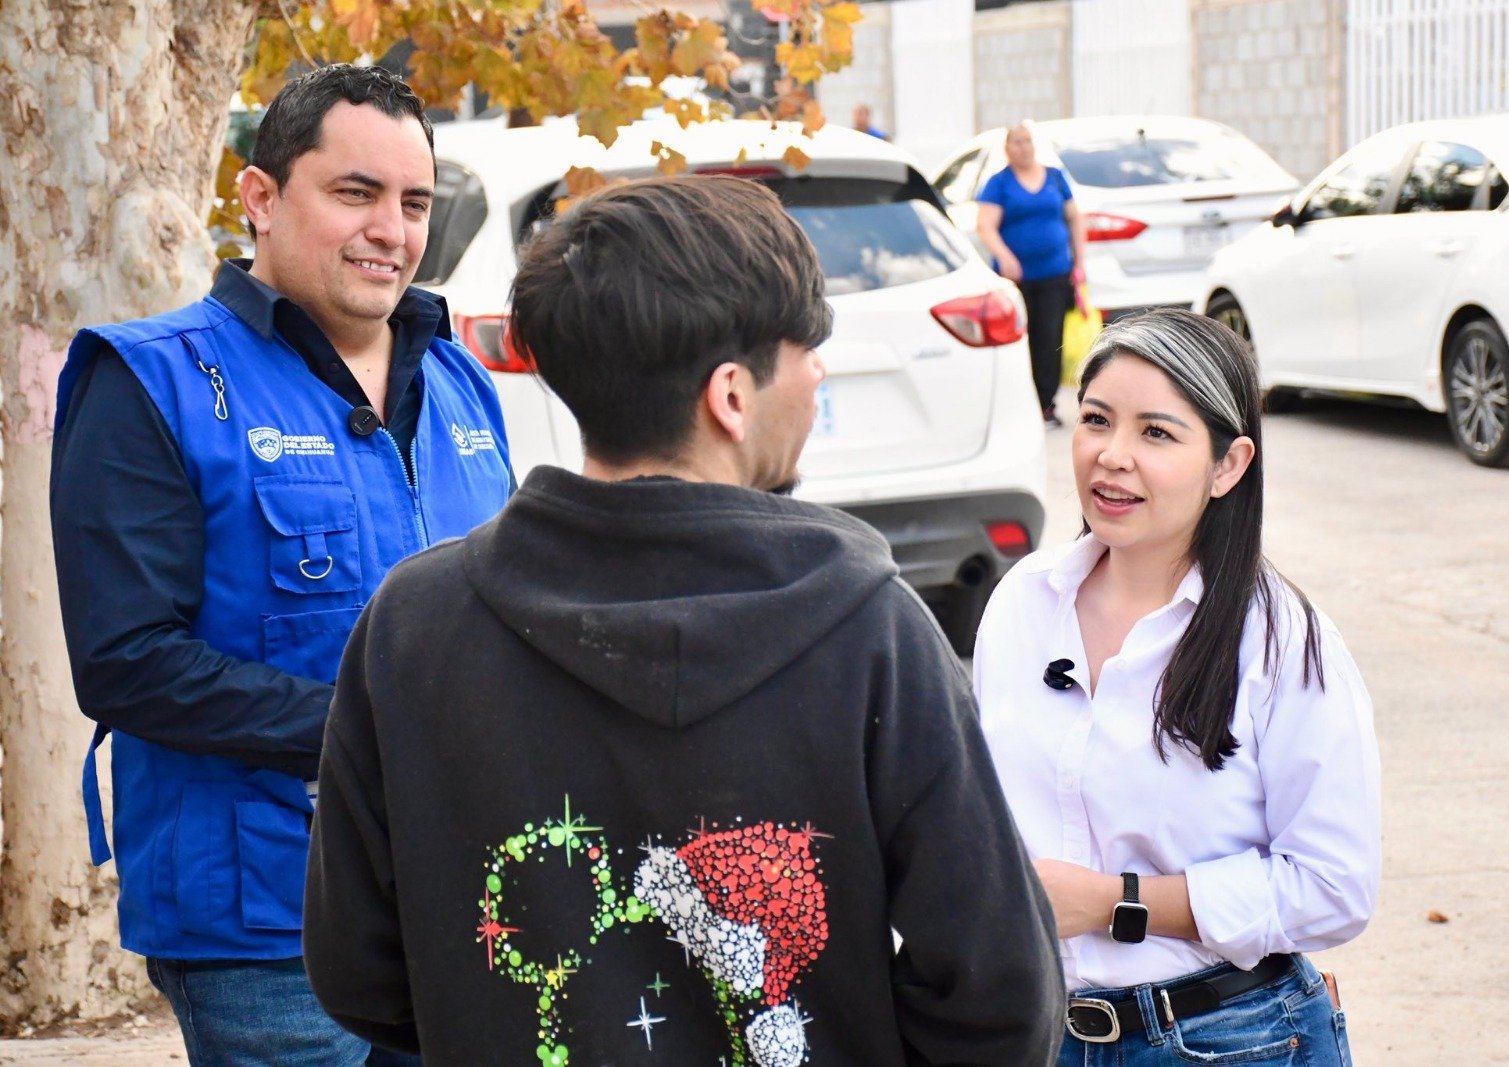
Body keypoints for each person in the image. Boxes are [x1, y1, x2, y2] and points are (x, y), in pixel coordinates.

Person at [301, 175, 1066, 1065]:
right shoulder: (872, 635)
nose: (818, 373)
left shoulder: (414, 627)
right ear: (731, 395)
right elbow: (1002, 998)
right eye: (805, 349)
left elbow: (358, 971)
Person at [50, 64, 512, 1066]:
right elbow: (127, 661)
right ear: (258, 198)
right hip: (268, 927)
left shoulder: (465, 381)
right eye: (356, 193)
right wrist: (386, 735)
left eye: (414, 201)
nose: (391, 229)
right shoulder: (151, 381)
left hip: (461, 899)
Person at [972, 309, 1380, 1064]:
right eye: (1097, 420)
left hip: (1229, 1039)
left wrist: (1116, 902)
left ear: (1228, 464)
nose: (1111, 456)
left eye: (1156, 432)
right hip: (1034, 1031)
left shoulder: (1282, 638)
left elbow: (1333, 885)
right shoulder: (1023, 602)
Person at [975, 122, 1087, 427]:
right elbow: (985, 226)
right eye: (1017, 142)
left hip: (1054, 273)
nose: (1024, 147)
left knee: (1050, 338)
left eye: (1028, 141)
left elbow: (1074, 219)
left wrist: (1079, 262)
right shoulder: (999, 183)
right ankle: (1020, 402)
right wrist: (1005, 256)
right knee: (1021, 340)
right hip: (1016, 280)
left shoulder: (1054, 177)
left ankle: (1046, 405)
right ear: (1007, 148)